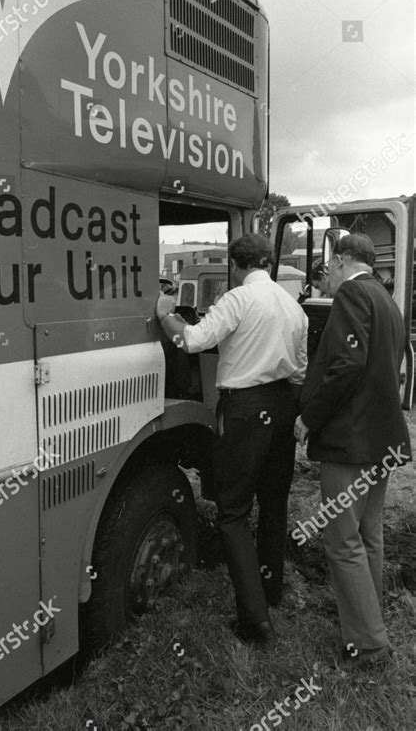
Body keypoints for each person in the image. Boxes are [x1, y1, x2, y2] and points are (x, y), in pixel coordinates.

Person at [156, 234, 308, 646]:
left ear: (238, 267)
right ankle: (271, 590)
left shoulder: (238, 299)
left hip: (245, 409)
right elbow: (301, 369)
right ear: (270, 265)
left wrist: (166, 314)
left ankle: (255, 622)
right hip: (283, 404)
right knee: (274, 503)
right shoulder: (294, 307)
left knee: (233, 512)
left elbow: (192, 340)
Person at [294, 233, 411, 665]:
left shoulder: (350, 294)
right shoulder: (387, 300)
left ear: (342, 261)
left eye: (329, 269)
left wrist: (309, 418)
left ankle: (368, 644)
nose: (327, 278)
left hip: (350, 443)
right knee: (368, 536)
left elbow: (347, 366)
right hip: (382, 440)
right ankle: (370, 616)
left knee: (342, 541)